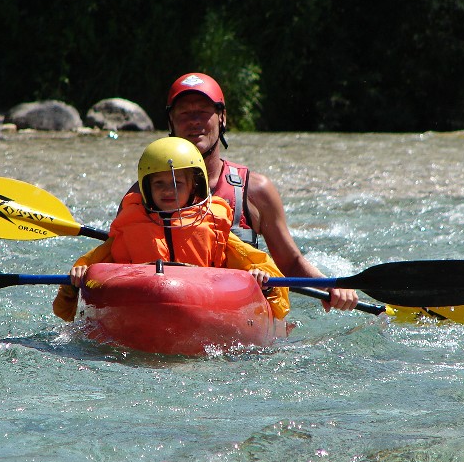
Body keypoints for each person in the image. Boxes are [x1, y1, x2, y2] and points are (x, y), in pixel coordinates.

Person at [130, 72, 358, 312]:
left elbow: (289, 262)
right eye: (184, 113)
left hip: (234, 318)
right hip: (163, 306)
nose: (194, 121)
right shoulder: (144, 192)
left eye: (203, 112)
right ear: (171, 122)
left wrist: (329, 286)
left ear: (222, 118)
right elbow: (119, 254)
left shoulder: (255, 191)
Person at [53, 137, 290, 322]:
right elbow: (65, 311)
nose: (169, 191)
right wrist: (73, 285)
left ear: (193, 186)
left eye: (177, 183)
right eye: (160, 184)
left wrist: (263, 280)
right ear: (146, 187)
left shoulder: (214, 229)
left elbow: (270, 279)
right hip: (140, 310)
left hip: (207, 308)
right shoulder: (129, 230)